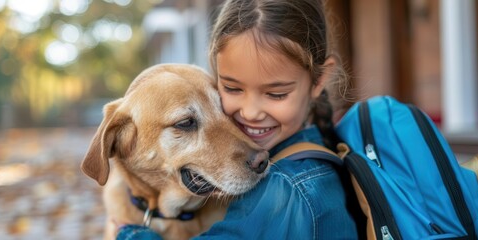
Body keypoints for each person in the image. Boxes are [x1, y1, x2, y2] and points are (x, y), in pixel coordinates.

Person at [116, 0, 360, 238]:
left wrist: (128, 233)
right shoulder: (289, 161)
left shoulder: (288, 189)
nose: (250, 113)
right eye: (232, 89)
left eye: (276, 93)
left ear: (319, 81)